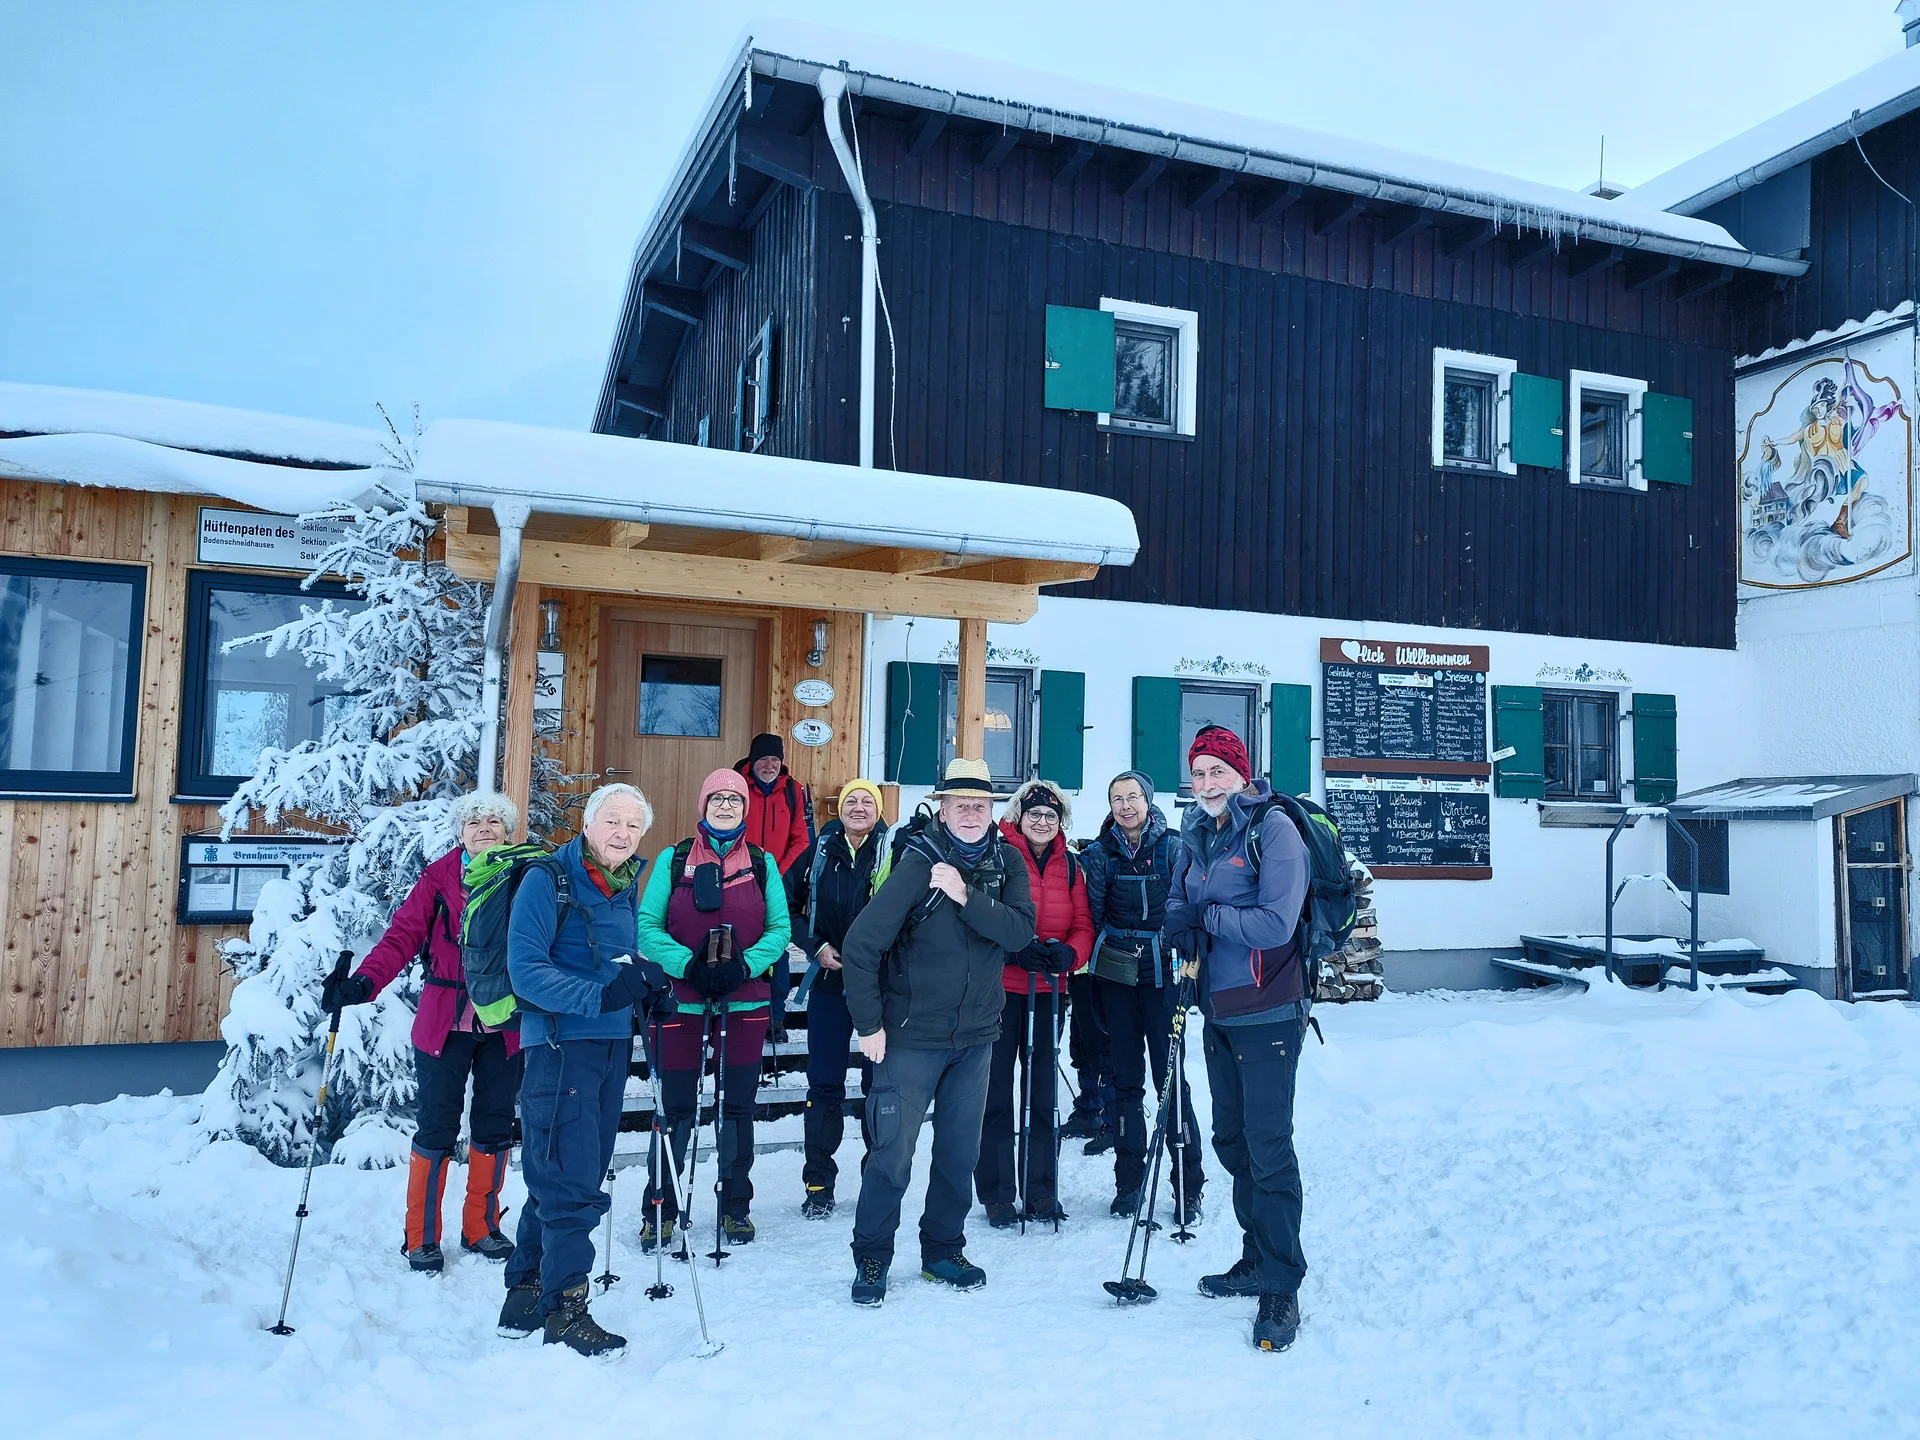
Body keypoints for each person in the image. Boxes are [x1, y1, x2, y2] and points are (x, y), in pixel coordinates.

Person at [840, 757, 1035, 1306]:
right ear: (942, 808)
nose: (971, 813)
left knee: (958, 1153)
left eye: (980, 804)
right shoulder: (918, 860)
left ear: (992, 811)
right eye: (960, 804)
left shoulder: (1007, 861)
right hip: (909, 1038)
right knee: (891, 1155)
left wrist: (966, 896)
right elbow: (861, 946)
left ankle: (943, 1249)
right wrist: (870, 1025)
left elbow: (1019, 933)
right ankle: (874, 1256)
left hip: (975, 1038)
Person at [495, 784, 668, 1357]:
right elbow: (527, 973)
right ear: (589, 825)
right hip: (561, 1046)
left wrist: (644, 989)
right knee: (571, 1176)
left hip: (610, 1046)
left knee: (562, 1167)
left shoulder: (622, 883)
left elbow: (611, 965)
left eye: (633, 825)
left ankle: (524, 1291)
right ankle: (566, 1308)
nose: (623, 833)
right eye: (612, 821)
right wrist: (604, 996)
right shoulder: (549, 881)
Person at [322, 791, 526, 1272]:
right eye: (475, 822)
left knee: (495, 1123)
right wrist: (364, 983)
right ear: (460, 832)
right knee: (437, 1125)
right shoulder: (438, 879)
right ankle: (421, 1238)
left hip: (505, 1023)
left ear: (507, 832)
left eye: (495, 822)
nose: (485, 828)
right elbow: (402, 937)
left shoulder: (525, 876)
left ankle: (482, 1228)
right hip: (445, 1021)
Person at [1164, 726, 1311, 1354]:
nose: (1206, 784)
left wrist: (1209, 920)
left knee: (1268, 1145)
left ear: (1240, 774)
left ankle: (1281, 1282)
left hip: (1270, 1010)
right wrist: (1178, 925)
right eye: (1197, 773)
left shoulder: (1272, 829)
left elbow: (1277, 923)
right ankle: (1255, 1257)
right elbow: (1179, 898)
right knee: (1231, 1139)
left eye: (1217, 772)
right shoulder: (1195, 835)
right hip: (1218, 1010)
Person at [635, 767, 791, 1249]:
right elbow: (647, 926)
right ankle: (660, 1206)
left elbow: (780, 930)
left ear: (746, 809)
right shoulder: (673, 858)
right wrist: (688, 965)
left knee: (737, 1106)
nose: (726, 806)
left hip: (744, 1002)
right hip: (680, 1000)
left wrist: (745, 967)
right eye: (717, 799)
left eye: (735, 800)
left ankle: (735, 1207)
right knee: (675, 1108)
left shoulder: (762, 863)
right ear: (703, 806)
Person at [1083, 769, 1204, 1222]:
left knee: (1170, 1079)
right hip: (1118, 975)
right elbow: (1095, 913)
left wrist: (1190, 969)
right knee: (1126, 1082)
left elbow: (1189, 909)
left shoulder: (1173, 847)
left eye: (1133, 796)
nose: (1125, 805)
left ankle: (1188, 1184)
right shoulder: (1100, 854)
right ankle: (1128, 1183)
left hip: (1164, 976)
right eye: (1117, 798)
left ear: (1148, 801)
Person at [974, 780, 1093, 1228]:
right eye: (1034, 814)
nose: (1042, 822)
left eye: (1050, 815)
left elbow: (1083, 922)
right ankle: (998, 1193)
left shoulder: (1071, 867)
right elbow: (980, 916)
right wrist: (1011, 948)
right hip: (1001, 989)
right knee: (996, 1092)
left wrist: (1071, 955)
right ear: (1019, 817)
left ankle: (1042, 1190)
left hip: (1048, 989)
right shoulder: (997, 856)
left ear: (1059, 820)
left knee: (1043, 1095)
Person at [788, 777, 890, 1218]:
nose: (860, 807)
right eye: (853, 801)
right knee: (824, 1082)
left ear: (879, 810)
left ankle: (877, 1176)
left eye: (869, 802)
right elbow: (787, 907)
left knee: (878, 1084)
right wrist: (815, 948)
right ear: (841, 809)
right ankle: (818, 1183)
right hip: (829, 984)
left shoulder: (894, 851)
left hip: (880, 985)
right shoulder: (819, 852)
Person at [736, 732, 813, 1042]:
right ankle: (740, 1011)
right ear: (753, 760)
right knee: (739, 941)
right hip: (738, 878)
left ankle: (774, 1018)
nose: (769, 765)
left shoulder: (793, 792)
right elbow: (724, 826)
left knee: (776, 946)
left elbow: (802, 838)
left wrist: (776, 872)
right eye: (763, 759)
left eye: (775, 760)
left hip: (777, 881)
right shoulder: (736, 787)